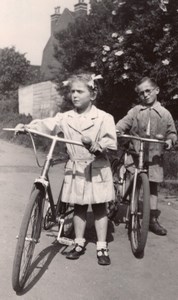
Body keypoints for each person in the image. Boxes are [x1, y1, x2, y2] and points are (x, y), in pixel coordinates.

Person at [15, 73, 117, 265]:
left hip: (97, 167)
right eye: (72, 92)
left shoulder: (104, 117)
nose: (75, 95)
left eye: (80, 91)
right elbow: (47, 124)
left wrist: (98, 145)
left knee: (99, 207)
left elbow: (111, 142)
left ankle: (102, 245)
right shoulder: (65, 117)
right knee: (78, 206)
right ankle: (79, 242)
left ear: (93, 95)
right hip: (76, 166)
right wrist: (28, 127)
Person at [116, 77, 177, 236]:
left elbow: (172, 132)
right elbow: (123, 124)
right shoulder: (135, 111)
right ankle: (131, 209)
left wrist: (170, 140)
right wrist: (118, 130)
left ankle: (152, 220)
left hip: (154, 156)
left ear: (156, 90)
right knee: (133, 182)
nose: (145, 95)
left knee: (153, 186)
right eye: (141, 93)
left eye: (148, 91)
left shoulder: (164, 113)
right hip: (136, 153)